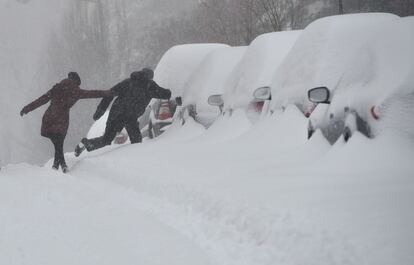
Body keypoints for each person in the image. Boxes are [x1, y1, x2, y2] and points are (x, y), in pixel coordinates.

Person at [20, 72, 112, 173]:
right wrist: (108, 92)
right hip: (61, 120)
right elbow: (92, 93)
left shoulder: (57, 88)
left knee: (58, 144)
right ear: (76, 82)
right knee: (59, 142)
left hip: (50, 117)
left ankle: (57, 165)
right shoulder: (76, 91)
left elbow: (42, 100)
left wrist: (27, 108)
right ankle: (62, 165)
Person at [74, 68, 171, 156]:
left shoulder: (128, 82)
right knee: (136, 140)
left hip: (116, 113)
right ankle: (133, 161)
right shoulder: (150, 85)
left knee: (106, 139)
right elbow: (166, 94)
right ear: (150, 77)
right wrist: (171, 90)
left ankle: (86, 143)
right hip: (130, 116)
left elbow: (109, 93)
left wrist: (100, 110)